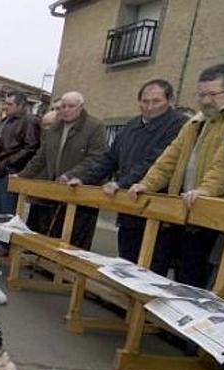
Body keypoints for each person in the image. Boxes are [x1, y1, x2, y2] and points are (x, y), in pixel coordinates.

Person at [67, 80, 187, 269]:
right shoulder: (131, 125)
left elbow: (157, 160)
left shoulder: (179, 124)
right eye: (144, 101)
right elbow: (110, 158)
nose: (149, 107)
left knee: (153, 266)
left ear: (169, 100)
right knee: (127, 262)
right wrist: (84, 178)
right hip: (129, 207)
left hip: (158, 207)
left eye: (156, 101)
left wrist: (121, 183)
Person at [128, 64, 224, 288]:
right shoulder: (194, 123)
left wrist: (206, 191)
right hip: (184, 210)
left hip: (212, 215)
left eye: (212, 94)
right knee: (166, 272)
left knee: (197, 278)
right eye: (201, 94)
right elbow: (168, 159)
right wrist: (146, 184)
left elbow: (223, 166)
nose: (205, 100)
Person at [18, 91, 107, 250]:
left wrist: (72, 174)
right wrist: (22, 175)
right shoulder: (55, 128)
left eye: (70, 106)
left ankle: (68, 272)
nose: (66, 110)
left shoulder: (95, 127)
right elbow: (41, 156)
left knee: (75, 237)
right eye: (63, 106)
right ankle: (47, 266)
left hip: (81, 191)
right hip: (57, 189)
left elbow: (96, 157)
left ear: (81, 107)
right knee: (53, 233)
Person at [0, 92, 40, 215]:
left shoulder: (29, 121)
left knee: (6, 214)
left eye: (10, 104)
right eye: (5, 103)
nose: (6, 107)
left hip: (9, 173)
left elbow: (31, 147)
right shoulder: (6, 121)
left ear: (21, 105)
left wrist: (8, 163)